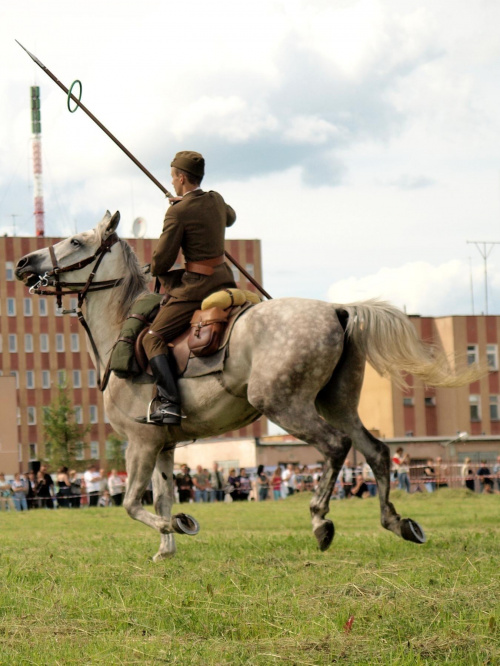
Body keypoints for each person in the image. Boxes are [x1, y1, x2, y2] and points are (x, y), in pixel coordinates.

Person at [142, 151, 237, 426]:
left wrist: (178, 210)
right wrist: (187, 205)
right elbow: (229, 218)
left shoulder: (178, 212)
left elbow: (162, 261)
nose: (171, 182)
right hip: (224, 278)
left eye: (173, 177)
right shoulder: (216, 199)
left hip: (197, 287)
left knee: (152, 337)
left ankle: (170, 404)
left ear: (181, 178)